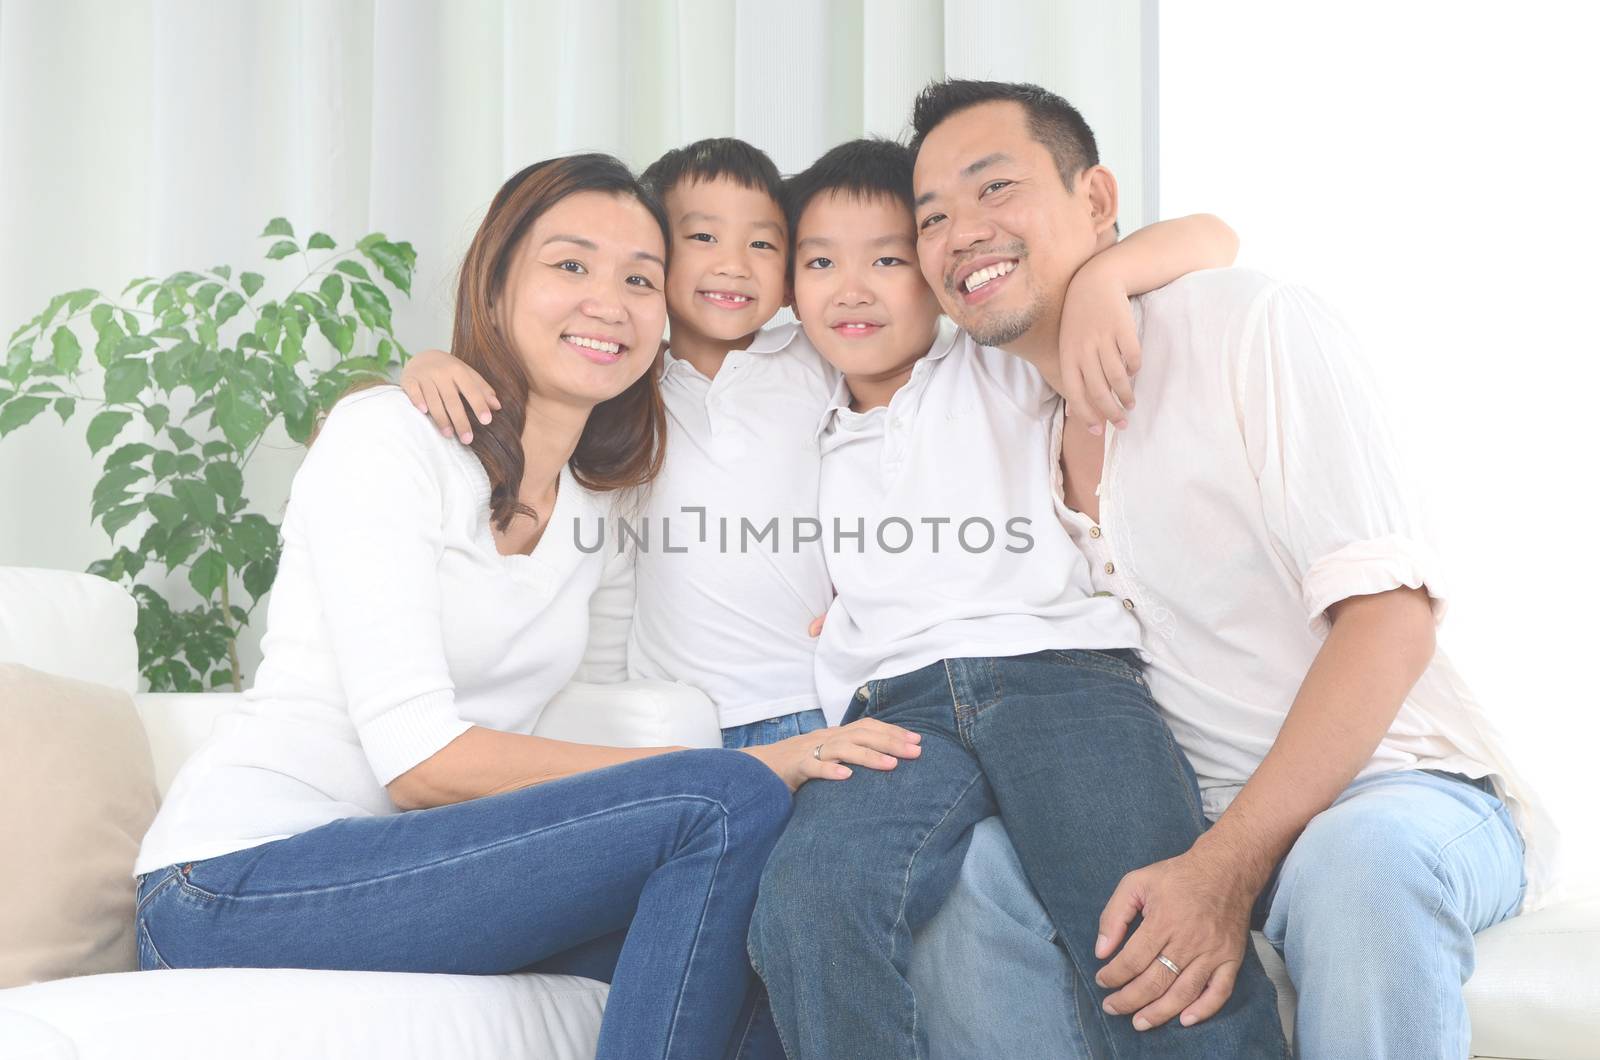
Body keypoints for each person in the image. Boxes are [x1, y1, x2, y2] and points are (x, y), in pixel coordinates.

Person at [130, 153, 915, 1060]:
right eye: (570, 266)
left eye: (639, 279)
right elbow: (419, 763)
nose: (607, 302)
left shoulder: (601, 500)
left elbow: (611, 698)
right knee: (730, 795)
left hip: (439, 866)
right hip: (235, 883)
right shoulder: (388, 440)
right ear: (495, 284)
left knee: (775, 936)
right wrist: (751, 768)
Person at [905, 78, 1556, 1060]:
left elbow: (1390, 620)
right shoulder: (986, 410)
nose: (963, 232)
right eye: (933, 217)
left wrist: (1222, 868)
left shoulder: (1245, 326)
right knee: (963, 872)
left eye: (994, 189)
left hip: (1396, 790)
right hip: (1170, 812)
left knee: (1359, 864)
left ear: (1095, 201)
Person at [744, 136, 1290, 1059]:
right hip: (893, 711)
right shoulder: (800, 410)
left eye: (887, 258)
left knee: (1149, 936)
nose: (853, 288)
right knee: (808, 900)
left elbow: (1216, 236)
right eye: (821, 262)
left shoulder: (994, 363)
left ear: (932, 273)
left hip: (1063, 683)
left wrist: (1103, 281)